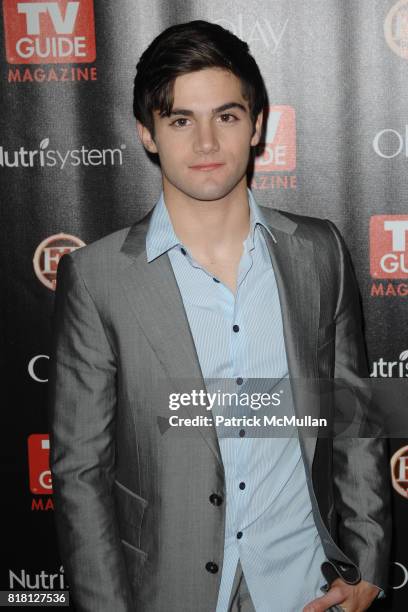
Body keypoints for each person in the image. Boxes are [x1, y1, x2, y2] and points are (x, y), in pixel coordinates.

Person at [48, 20, 391, 612]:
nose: (206, 143)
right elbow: (81, 474)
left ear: (257, 125)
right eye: (181, 120)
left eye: (226, 117)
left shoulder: (319, 251)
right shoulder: (98, 278)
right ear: (148, 134)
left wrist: (365, 566)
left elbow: (354, 419)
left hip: (304, 588)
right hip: (167, 590)